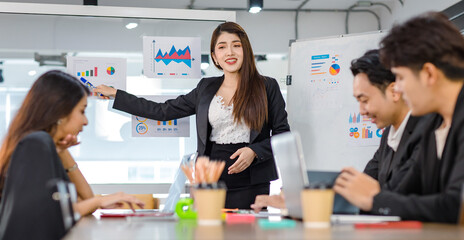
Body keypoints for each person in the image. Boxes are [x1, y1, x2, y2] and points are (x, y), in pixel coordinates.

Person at [95, 22, 290, 209]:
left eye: (236, 46)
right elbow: (163, 111)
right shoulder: (206, 87)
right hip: (211, 181)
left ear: (246, 51)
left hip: (253, 181)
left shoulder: (267, 86)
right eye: (222, 47)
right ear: (214, 57)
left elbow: (283, 134)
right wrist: (117, 95)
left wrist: (254, 151)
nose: (229, 52)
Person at [251, 49, 423, 213]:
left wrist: (377, 197)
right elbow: (361, 191)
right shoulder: (389, 135)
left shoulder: (425, 133)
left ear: (394, 92)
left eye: (365, 100)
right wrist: (301, 202)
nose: (362, 111)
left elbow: (390, 197)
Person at [334, 11, 464, 223]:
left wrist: (375, 199)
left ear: (429, 74)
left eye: (401, 78)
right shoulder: (437, 123)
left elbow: (454, 206)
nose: (399, 89)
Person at [0, 71, 144, 240]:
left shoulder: (43, 144)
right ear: (60, 112)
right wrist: (98, 202)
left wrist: (62, 150)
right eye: (82, 111)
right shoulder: (36, 144)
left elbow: (84, 199)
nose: (86, 121)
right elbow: (51, 214)